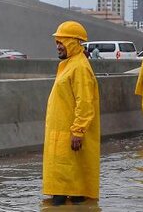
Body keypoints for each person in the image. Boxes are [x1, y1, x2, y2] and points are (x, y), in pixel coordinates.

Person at [43, 21, 101, 206]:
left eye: (62, 41)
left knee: (66, 192)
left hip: (70, 138)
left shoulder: (80, 67)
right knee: (67, 189)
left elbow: (85, 103)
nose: (58, 46)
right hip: (61, 136)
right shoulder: (69, 64)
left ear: (74, 42)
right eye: (57, 42)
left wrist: (78, 131)